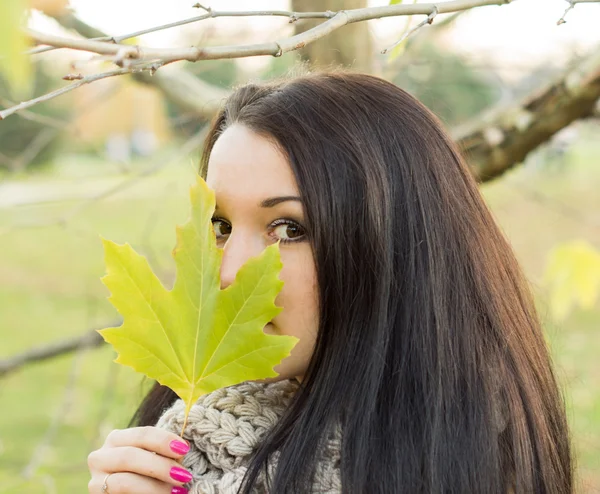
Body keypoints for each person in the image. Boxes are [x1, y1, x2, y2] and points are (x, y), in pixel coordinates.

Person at [87, 72, 572, 494]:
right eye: (220, 227)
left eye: (289, 229)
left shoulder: (477, 465)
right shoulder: (181, 444)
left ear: (391, 253)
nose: (230, 271)